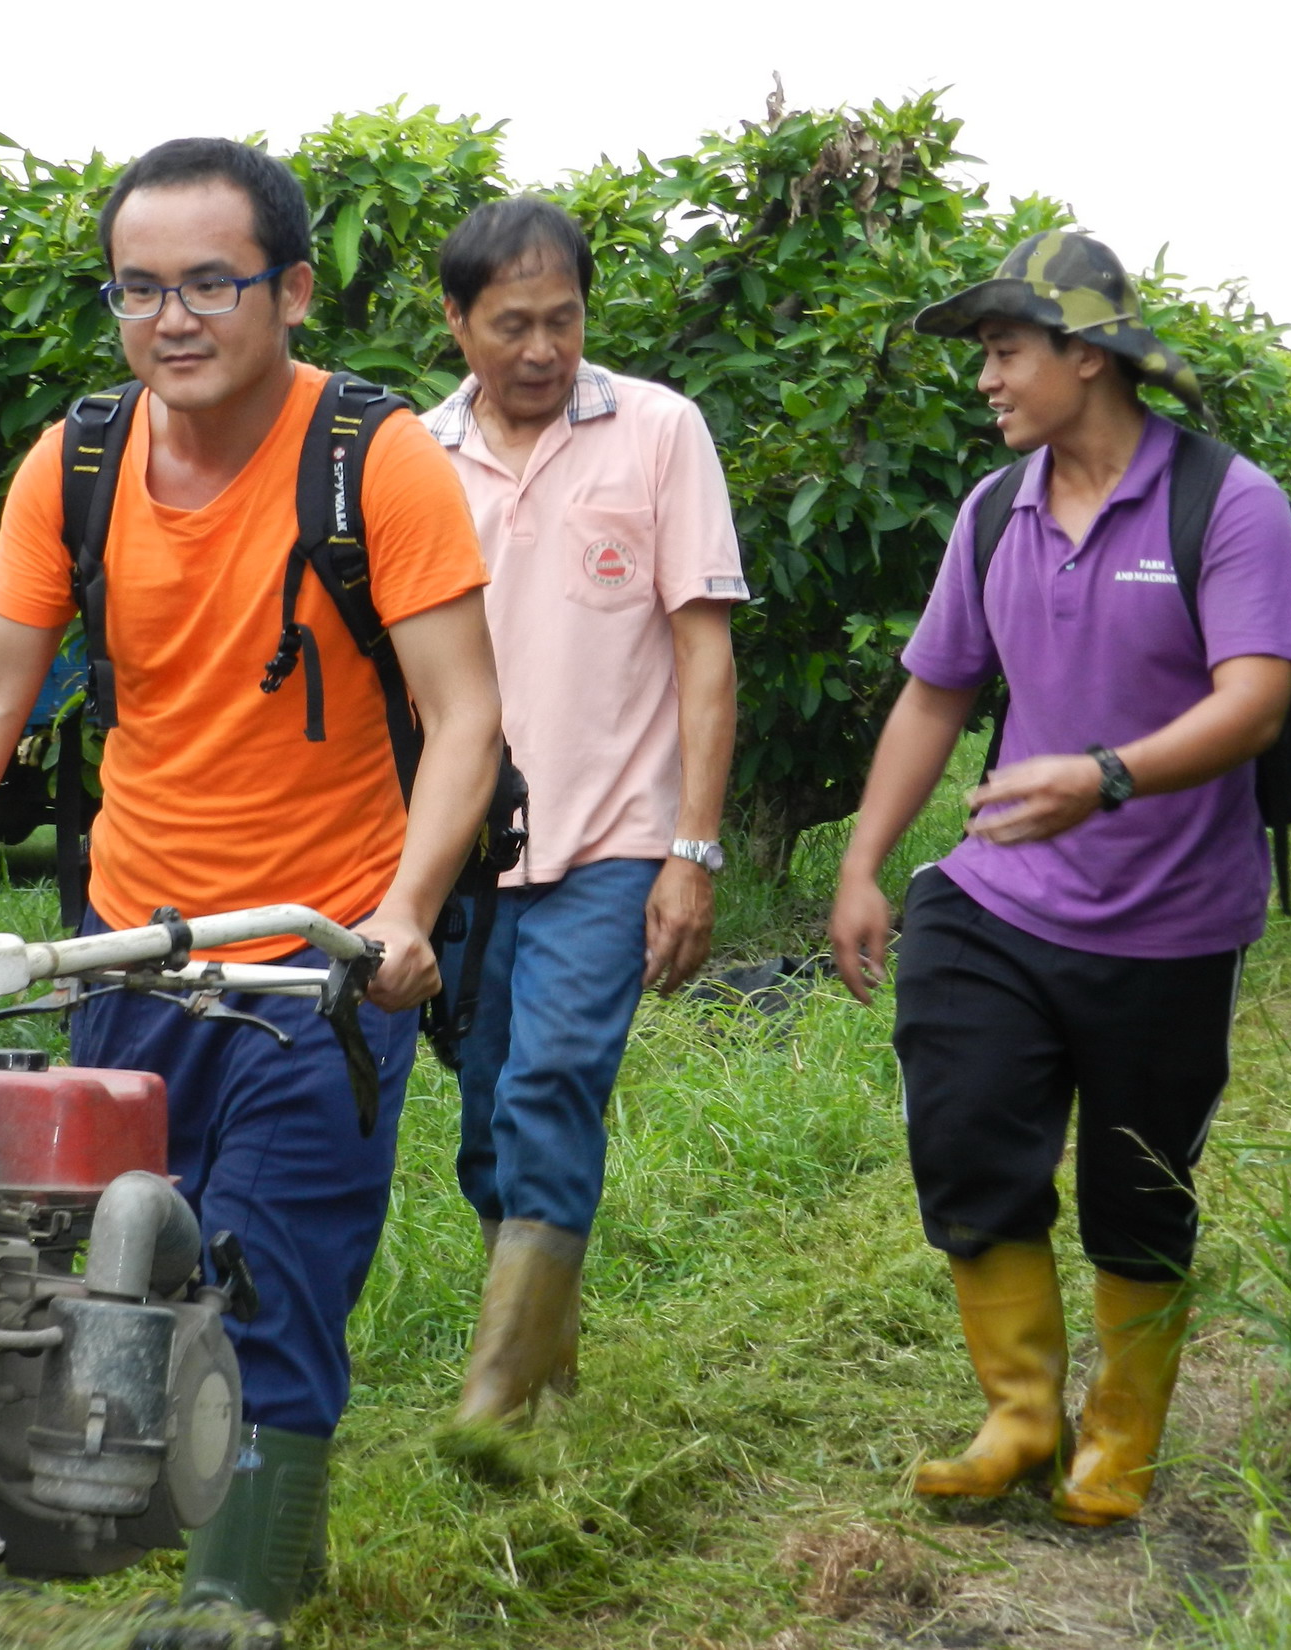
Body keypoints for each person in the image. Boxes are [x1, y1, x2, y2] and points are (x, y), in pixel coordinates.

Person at [0, 138, 503, 1622]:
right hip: (129, 943)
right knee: (139, 1252)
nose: (175, 318)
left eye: (213, 281)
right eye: (140, 288)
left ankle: (235, 1606)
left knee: (273, 1267)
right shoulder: (75, 461)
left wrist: (402, 911)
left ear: (292, 289)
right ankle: (248, 1525)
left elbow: (465, 713)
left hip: (314, 954)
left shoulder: (373, 459)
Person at [825, 231, 1291, 1527]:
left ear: (1085, 355)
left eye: (1004, 352)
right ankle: (1021, 1414)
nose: (986, 379)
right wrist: (866, 860)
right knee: (966, 1120)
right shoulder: (995, 513)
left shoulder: (1227, 503)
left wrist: (1105, 774)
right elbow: (937, 691)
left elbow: (1258, 700)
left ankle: (1123, 1433)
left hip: (1171, 921)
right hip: (1004, 896)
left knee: (1137, 1185)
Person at [419, 198, 746, 1448]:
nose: (543, 349)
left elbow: (702, 657)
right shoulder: (415, 458)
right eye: (512, 325)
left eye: (563, 319)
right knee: (486, 1113)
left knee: (552, 1081)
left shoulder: (661, 431)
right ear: (458, 323)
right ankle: (544, 1353)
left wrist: (692, 851)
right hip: (462, 849)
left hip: (613, 836)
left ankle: (490, 1399)